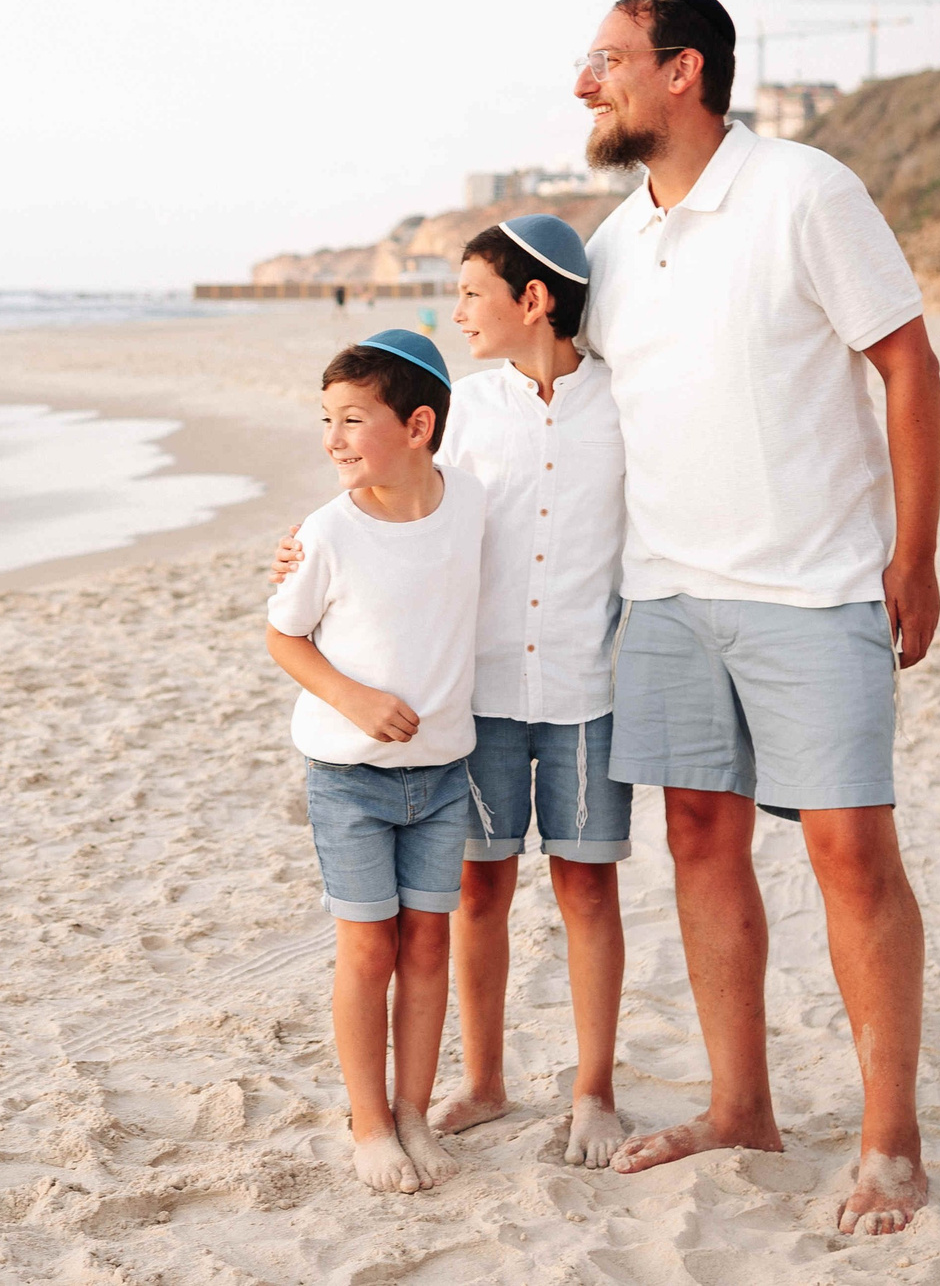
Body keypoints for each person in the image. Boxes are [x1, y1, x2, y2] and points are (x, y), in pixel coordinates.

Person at [576, 0, 940, 1237]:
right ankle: (742, 1106)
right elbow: (562, 413)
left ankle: (890, 1139)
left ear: (682, 72)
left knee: (850, 853)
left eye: (610, 60)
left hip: (817, 583)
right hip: (669, 592)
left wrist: (917, 552)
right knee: (696, 839)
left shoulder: (804, 190)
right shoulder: (615, 244)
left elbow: (906, 360)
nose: (590, 82)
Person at [274, 215, 630, 1167]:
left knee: (588, 883)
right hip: (473, 697)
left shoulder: (622, 403)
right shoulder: (464, 407)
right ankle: (482, 1080)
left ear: (535, 300)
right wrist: (308, 545)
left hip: (585, 685)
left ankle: (594, 1089)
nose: (459, 309)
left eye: (472, 292)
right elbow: (389, 495)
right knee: (479, 888)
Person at [264, 331, 487, 1195]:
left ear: (419, 425)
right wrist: (353, 698)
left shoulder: (469, 503)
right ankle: (368, 1124)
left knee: (428, 945)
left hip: (440, 776)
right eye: (327, 419)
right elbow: (284, 635)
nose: (333, 437)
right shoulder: (326, 531)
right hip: (349, 779)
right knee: (368, 951)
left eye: (354, 419)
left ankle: (414, 1114)